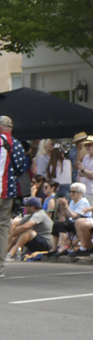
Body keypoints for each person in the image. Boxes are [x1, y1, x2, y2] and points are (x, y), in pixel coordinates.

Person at [0, 115, 25, 275]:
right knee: (3, 227)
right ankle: (0, 266)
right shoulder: (16, 144)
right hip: (8, 190)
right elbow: (20, 169)